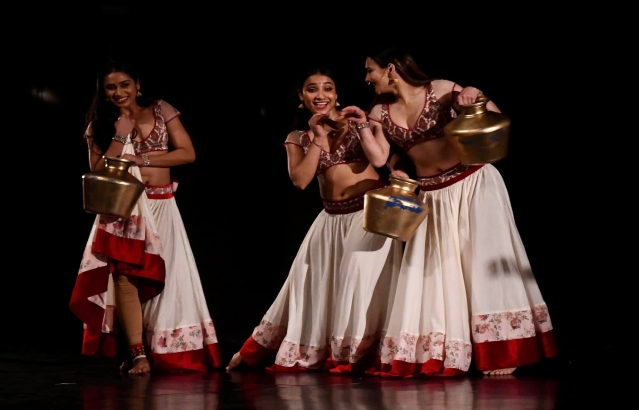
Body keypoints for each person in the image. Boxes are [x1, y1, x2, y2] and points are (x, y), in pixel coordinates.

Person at [336, 43, 557, 377]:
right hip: (433, 195)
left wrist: (476, 95)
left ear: (391, 69)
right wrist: (368, 132)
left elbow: (494, 119)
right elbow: (380, 157)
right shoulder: (379, 111)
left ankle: (502, 350)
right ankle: (447, 347)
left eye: (370, 70)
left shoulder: (440, 90)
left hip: (472, 183)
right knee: (438, 271)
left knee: (482, 263)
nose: (367, 78)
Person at [226, 66, 402, 372]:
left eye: (327, 88)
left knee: (357, 278)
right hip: (330, 220)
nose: (321, 95)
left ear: (337, 93)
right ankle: (260, 349)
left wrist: (366, 133)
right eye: (312, 89)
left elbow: (382, 158)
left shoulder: (359, 122)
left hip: (369, 214)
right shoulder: (298, 137)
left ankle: (354, 353)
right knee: (306, 284)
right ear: (301, 97)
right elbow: (301, 180)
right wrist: (318, 136)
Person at [70, 61, 222, 374]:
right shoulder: (100, 124)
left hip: (162, 205)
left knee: (164, 275)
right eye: (111, 87)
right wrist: (119, 136)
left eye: (124, 84)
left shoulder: (160, 109)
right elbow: (97, 170)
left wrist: (143, 159)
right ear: (103, 92)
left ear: (137, 84)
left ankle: (161, 349)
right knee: (125, 277)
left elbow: (187, 153)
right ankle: (137, 354)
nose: (119, 92)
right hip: (124, 209)